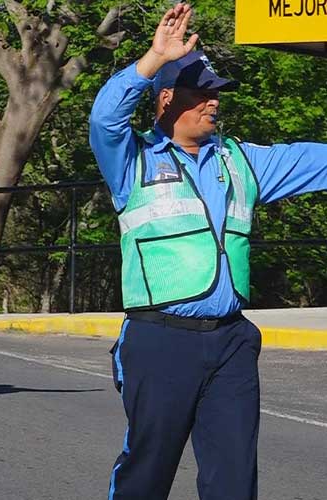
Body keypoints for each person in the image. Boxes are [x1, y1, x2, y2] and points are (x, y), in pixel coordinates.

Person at [89, 3, 327, 499]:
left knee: (234, 476)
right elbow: (105, 116)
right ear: (167, 99)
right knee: (148, 470)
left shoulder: (240, 160)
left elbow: (314, 158)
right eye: (203, 94)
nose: (214, 103)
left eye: (216, 94)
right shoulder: (131, 159)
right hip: (159, 340)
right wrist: (155, 57)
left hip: (231, 341)